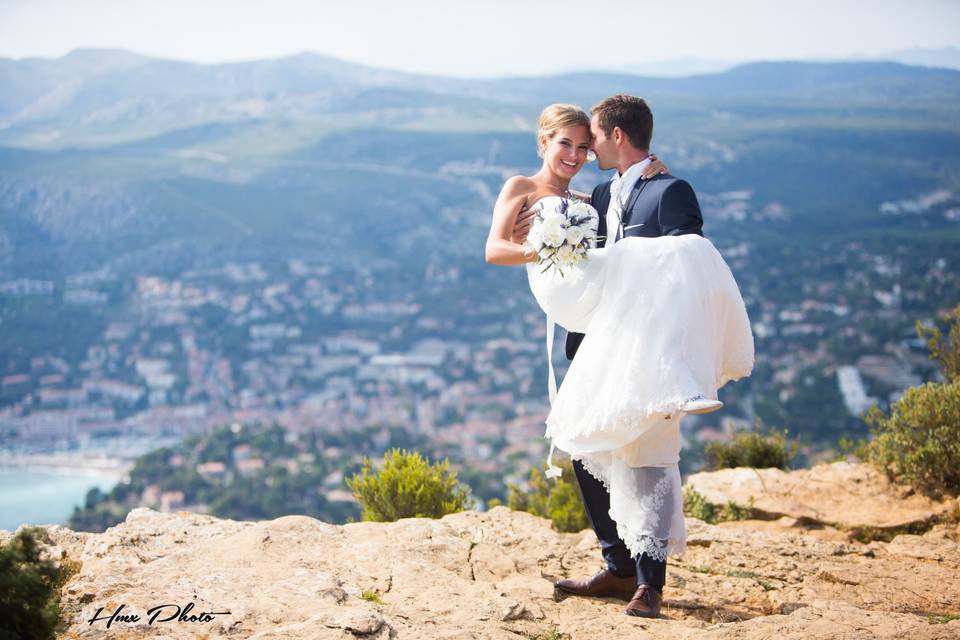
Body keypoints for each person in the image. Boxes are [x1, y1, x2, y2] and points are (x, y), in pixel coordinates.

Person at [486, 98, 754, 618]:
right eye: (570, 144)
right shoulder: (601, 191)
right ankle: (619, 564)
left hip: (650, 348)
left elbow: (688, 268)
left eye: (589, 144)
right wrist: (547, 242)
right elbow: (561, 239)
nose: (582, 153)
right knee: (583, 441)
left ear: (614, 137)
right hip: (592, 337)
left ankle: (649, 583)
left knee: (647, 450)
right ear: (543, 142)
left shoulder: (670, 190)